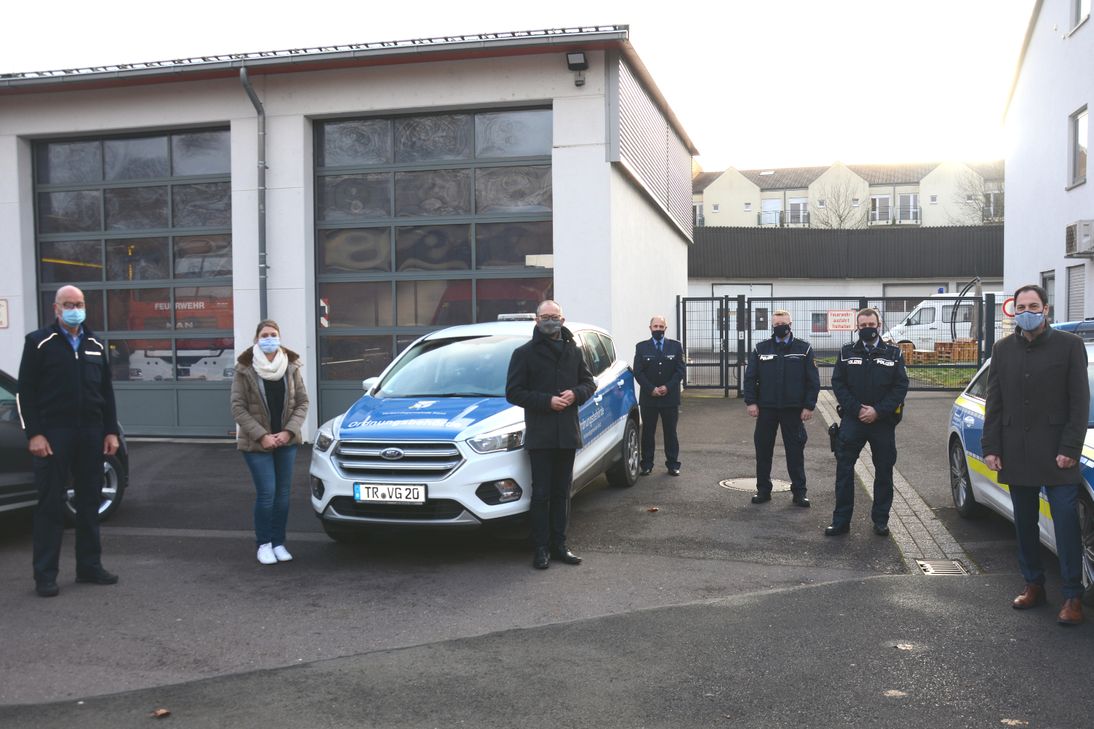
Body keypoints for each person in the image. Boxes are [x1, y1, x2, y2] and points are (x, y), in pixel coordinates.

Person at [982, 284, 1088, 626]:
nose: (1027, 312)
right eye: (1021, 307)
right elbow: (994, 402)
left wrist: (1070, 448)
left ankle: (1072, 595)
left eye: (1033, 306)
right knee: (1025, 524)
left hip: (1058, 454)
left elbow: (1080, 402)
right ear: (1014, 311)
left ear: (1046, 309)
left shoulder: (1069, 346)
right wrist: (991, 447)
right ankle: (1033, 585)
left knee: (1066, 523)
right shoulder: (1002, 349)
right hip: (1017, 451)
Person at [17, 285, 121, 597]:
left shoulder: (95, 345)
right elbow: (25, 392)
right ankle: (45, 575)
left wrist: (110, 431)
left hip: (91, 433)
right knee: (50, 505)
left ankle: (89, 567)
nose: (75, 309)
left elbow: (106, 392)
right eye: (68, 304)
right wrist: (34, 433)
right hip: (53, 434)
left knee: (89, 503)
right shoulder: (38, 343)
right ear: (56, 308)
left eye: (79, 303)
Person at [506, 300, 596, 569]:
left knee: (562, 493)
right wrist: (547, 401)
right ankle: (541, 548)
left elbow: (589, 383)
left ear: (562, 320)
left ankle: (560, 545)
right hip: (541, 435)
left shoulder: (574, 351)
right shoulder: (523, 353)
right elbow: (513, 392)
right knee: (541, 493)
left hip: (567, 434)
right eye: (544, 316)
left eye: (554, 316)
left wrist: (575, 394)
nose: (549, 321)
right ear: (536, 320)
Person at [230, 320, 310, 565]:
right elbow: (238, 407)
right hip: (256, 444)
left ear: (280, 337)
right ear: (256, 339)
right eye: (264, 335)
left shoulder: (291, 366)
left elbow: (302, 402)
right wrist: (262, 436)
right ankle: (264, 544)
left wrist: (288, 432)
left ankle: (278, 542)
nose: (269, 338)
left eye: (273, 334)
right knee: (267, 493)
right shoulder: (245, 368)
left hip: (286, 441)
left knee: (283, 495)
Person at [826, 307, 909, 536]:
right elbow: (838, 384)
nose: (867, 329)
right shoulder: (846, 352)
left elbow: (900, 387)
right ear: (857, 327)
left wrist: (878, 411)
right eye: (862, 326)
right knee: (844, 471)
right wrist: (857, 409)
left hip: (882, 422)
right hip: (853, 421)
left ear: (878, 325)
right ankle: (841, 521)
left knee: (884, 472)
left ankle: (881, 520)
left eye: (871, 325)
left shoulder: (893, 354)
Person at [743, 309, 820, 507]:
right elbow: (750, 377)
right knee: (763, 451)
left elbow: (813, 381)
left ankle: (799, 492)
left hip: (793, 410)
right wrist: (751, 402)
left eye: (783, 324)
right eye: (776, 324)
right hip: (766, 409)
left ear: (790, 324)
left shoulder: (804, 349)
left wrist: (809, 406)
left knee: (795, 452)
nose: (780, 327)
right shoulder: (761, 349)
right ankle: (763, 490)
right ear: (772, 326)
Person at [633, 315, 686, 476]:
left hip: (670, 398)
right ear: (650, 328)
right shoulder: (641, 347)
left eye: (661, 327)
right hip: (649, 398)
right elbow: (638, 372)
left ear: (665, 328)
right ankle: (647, 464)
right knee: (648, 433)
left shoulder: (675, 346)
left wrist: (667, 387)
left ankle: (673, 464)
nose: (658, 329)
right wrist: (651, 389)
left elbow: (680, 371)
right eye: (655, 326)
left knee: (671, 433)